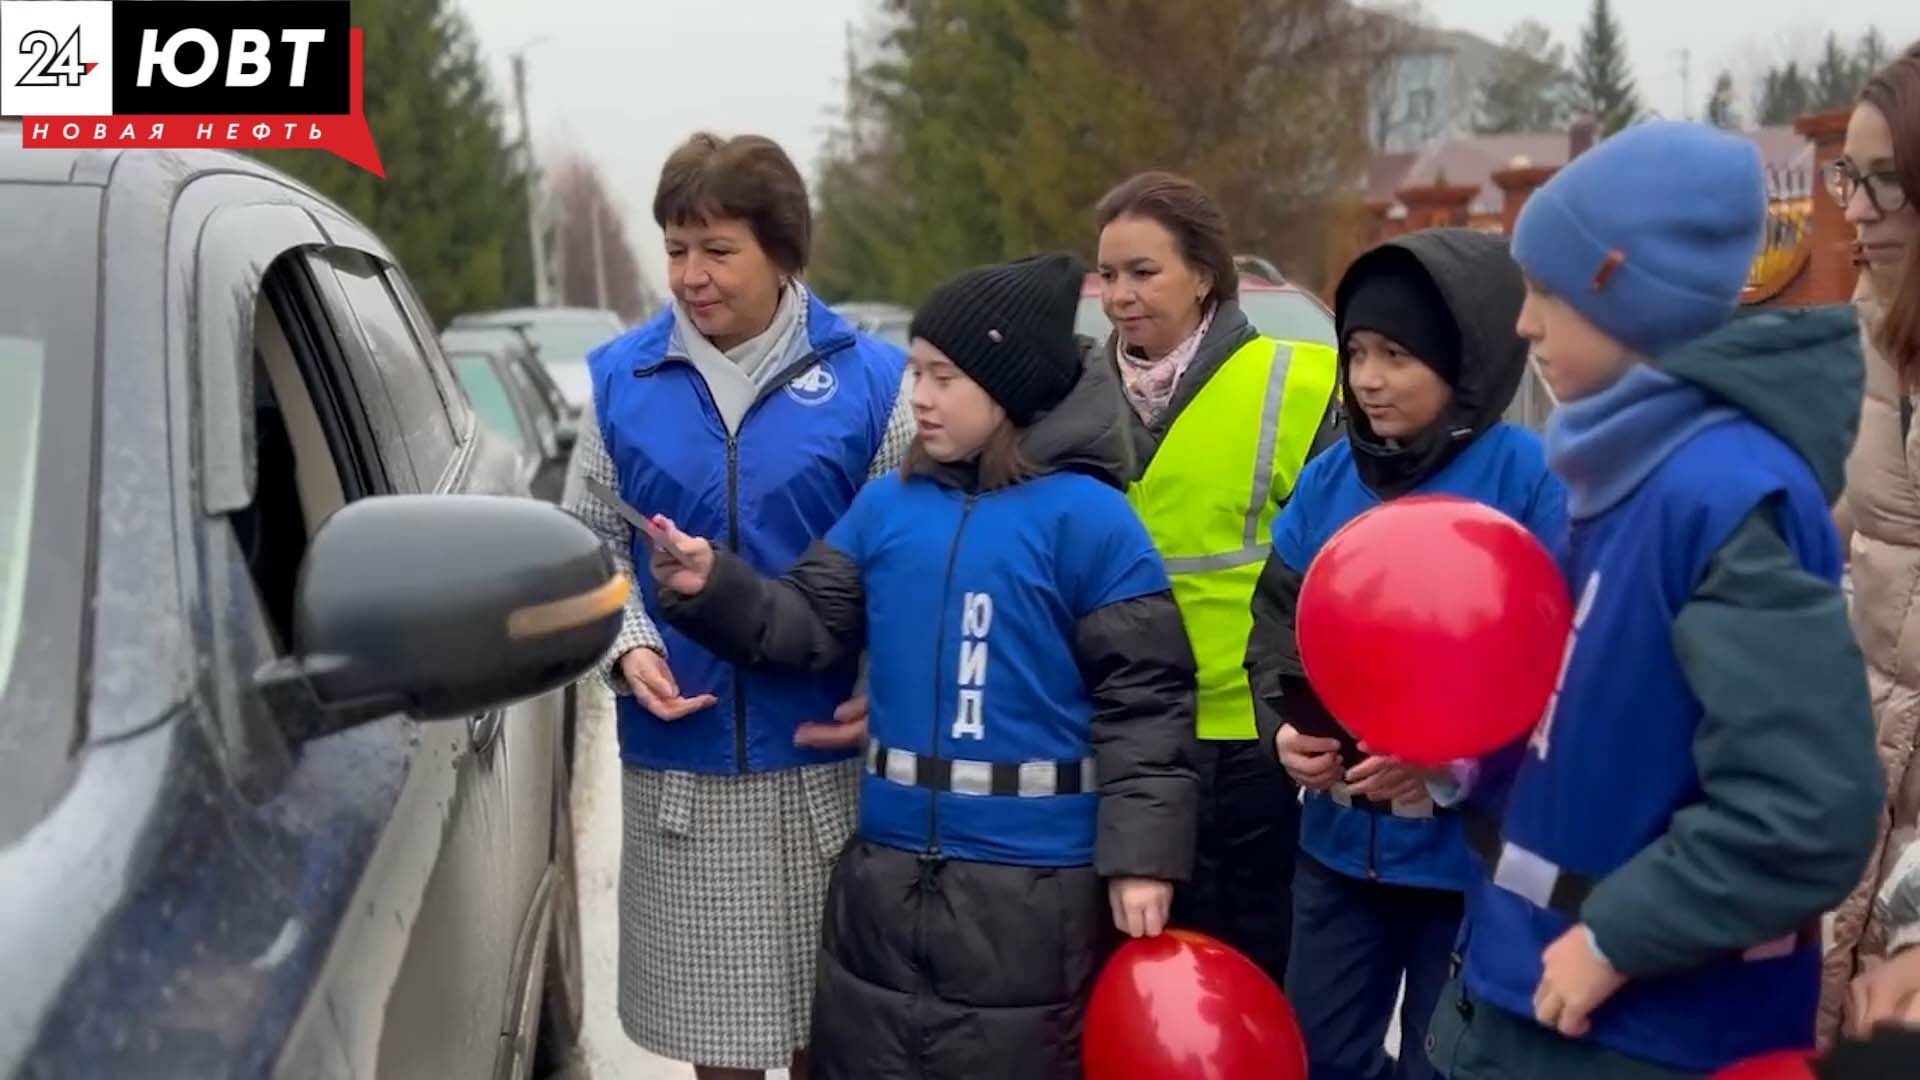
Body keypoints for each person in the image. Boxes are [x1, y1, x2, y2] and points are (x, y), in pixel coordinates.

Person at [648, 253, 1200, 1080]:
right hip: (887, 875)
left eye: (944, 376)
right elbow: (806, 624)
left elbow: (1147, 702)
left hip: (1035, 894)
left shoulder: (1092, 522)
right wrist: (714, 585)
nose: (920, 396)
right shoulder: (886, 507)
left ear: (1006, 387)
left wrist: (1143, 859)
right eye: (915, 372)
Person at [1427, 121, 1883, 1079]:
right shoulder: (1610, 474)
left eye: (1546, 290)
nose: (1524, 324)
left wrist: (1617, 939)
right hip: (1525, 991)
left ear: (1622, 286)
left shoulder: (1722, 493)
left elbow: (1806, 811)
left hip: (1653, 1034)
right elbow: (1590, 732)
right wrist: (1452, 759)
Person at [564, 131, 913, 1080]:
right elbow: (590, 539)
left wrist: (888, 682)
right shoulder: (621, 384)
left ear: (782, 251)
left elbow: (911, 554)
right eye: (677, 248)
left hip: (824, 764)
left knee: (829, 1038)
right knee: (718, 1049)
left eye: (718, 250)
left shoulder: (877, 386)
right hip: (687, 764)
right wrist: (629, 647)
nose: (691, 275)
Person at [1244, 228, 1565, 1080]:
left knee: (1444, 1064)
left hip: (1465, 866)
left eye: (1397, 355)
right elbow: (1276, 624)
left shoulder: (1528, 481)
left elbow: (1565, 675)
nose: (1368, 380)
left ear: (1466, 364)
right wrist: (1281, 728)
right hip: (1337, 854)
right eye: (1356, 353)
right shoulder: (1328, 478)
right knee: (1319, 1059)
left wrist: (1452, 761)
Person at [1094, 171, 1342, 986]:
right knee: (1134, 982)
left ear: (1204, 273)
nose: (1122, 295)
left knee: (1244, 972)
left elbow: (1334, 569)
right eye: (1110, 275)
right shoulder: (1071, 396)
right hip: (1115, 736)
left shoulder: (1299, 384)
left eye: (1145, 271)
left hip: (1245, 742)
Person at [1826, 41, 1920, 1044]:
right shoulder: (1861, 332)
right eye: (1848, 177)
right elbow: (1826, 524)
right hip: (1858, 764)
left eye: (1885, 184)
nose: (1853, 210)